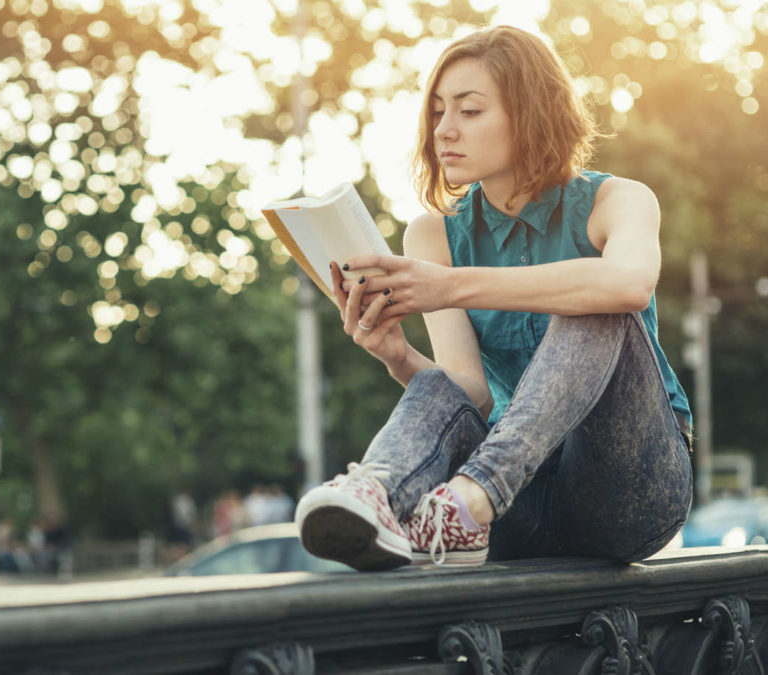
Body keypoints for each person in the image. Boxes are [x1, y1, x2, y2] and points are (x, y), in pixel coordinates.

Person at [295, 25, 693, 570]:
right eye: (437, 112)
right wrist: (396, 356)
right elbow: (471, 395)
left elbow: (627, 284)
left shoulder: (619, 200)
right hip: (514, 506)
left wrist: (452, 285)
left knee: (597, 301)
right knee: (439, 385)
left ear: (529, 115)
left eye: (469, 111)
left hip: (628, 492)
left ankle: (469, 499)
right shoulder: (433, 235)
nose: (444, 131)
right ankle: (382, 494)